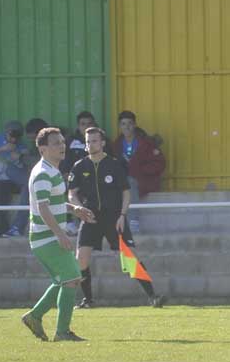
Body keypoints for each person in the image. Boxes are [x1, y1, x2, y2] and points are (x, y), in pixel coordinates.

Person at [68, 126, 166, 308]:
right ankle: (88, 300)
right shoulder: (79, 166)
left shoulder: (114, 164)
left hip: (114, 217)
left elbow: (126, 193)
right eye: (88, 141)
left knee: (130, 257)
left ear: (103, 143)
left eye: (94, 141)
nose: (90, 144)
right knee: (81, 258)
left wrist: (122, 215)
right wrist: (80, 210)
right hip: (90, 217)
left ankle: (153, 296)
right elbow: (72, 194)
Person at [20, 127, 95, 342]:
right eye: (55, 143)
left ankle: (34, 316)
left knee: (65, 280)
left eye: (62, 141)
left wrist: (74, 208)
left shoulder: (50, 170)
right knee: (72, 278)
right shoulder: (43, 173)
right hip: (47, 238)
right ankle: (62, 332)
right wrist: (60, 234)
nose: (62, 146)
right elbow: (43, 208)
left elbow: (52, 202)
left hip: (46, 237)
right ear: (42, 149)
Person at [110, 110, 166, 234]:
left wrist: (141, 170)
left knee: (130, 182)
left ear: (135, 125)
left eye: (130, 123)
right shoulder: (116, 145)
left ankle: (134, 221)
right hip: (123, 181)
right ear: (120, 126)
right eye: (123, 124)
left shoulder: (147, 143)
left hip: (144, 181)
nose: (127, 127)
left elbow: (160, 163)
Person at [0, 120, 28, 237]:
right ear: (6, 132)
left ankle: (5, 228)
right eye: (11, 136)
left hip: (10, 179)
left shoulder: (21, 145)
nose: (13, 140)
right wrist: (2, 149)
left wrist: (19, 154)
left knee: (2, 197)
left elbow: (25, 162)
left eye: (17, 137)